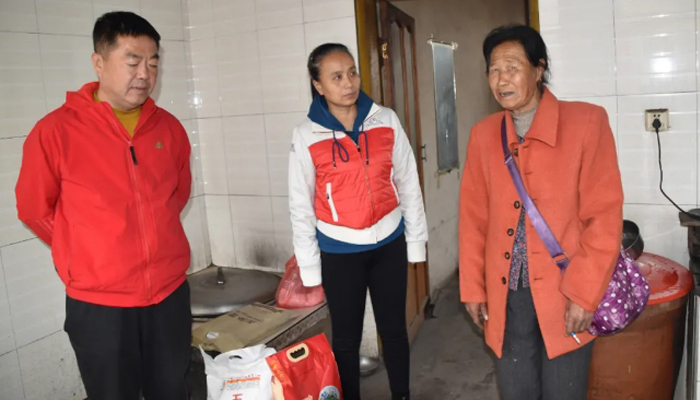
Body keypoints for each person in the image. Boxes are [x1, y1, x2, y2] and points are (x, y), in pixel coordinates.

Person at [15, 11, 192, 400]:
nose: (145, 74)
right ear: (99, 62)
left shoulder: (169, 128)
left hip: (169, 295)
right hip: (100, 306)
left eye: (153, 63)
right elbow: (33, 209)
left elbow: (176, 196)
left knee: (172, 390)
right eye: (132, 61)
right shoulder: (55, 132)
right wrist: (88, 249)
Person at [459, 25, 623, 400]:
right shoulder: (483, 135)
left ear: (539, 68)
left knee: (564, 390)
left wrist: (584, 294)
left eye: (512, 67)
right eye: (493, 69)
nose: (501, 79)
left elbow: (603, 216)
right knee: (516, 390)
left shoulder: (586, 123)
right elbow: (473, 218)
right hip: (507, 292)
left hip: (566, 290)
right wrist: (473, 287)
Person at [288, 43, 428, 400]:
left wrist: (415, 242)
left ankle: (402, 395)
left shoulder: (386, 119)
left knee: (394, 331)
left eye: (352, 72)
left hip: (389, 243)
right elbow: (301, 206)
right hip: (339, 251)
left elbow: (408, 182)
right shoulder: (306, 134)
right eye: (336, 77)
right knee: (346, 339)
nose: (348, 83)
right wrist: (309, 268)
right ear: (318, 85)